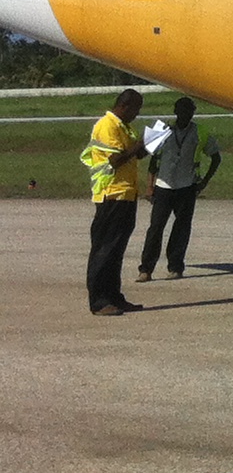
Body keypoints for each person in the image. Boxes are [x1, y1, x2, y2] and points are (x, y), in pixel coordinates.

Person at [137, 95, 221, 281]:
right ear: (175, 111)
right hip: (163, 186)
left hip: (187, 186)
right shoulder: (164, 131)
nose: (185, 114)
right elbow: (153, 160)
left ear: (193, 113)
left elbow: (216, 157)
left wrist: (204, 181)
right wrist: (149, 186)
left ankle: (175, 267)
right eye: (181, 110)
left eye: (188, 111)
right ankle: (146, 269)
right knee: (155, 228)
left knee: (181, 229)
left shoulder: (200, 132)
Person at [81, 88, 148, 315]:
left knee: (116, 250)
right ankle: (99, 301)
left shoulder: (125, 127)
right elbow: (116, 160)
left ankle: (114, 297)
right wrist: (137, 146)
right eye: (136, 109)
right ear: (125, 106)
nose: (137, 114)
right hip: (111, 194)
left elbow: (134, 154)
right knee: (104, 249)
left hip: (126, 193)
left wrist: (148, 145)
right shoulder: (107, 125)